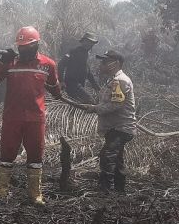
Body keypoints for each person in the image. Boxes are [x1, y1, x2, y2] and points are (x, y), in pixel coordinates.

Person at [0, 26, 61, 205]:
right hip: (12, 117)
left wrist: (58, 91)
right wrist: (2, 62)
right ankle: (1, 191)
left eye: (27, 46)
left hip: (36, 118)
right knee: (7, 154)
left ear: (36, 45)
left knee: (36, 156)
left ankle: (35, 194)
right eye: (20, 47)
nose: (23, 50)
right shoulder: (10, 63)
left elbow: (55, 88)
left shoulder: (47, 64)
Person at [78, 50, 136, 194]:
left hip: (120, 128)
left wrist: (94, 109)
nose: (101, 65)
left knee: (107, 156)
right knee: (116, 159)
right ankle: (119, 190)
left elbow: (116, 105)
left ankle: (106, 191)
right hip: (115, 127)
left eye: (105, 62)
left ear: (115, 64)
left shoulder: (120, 81)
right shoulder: (113, 80)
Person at [58, 32, 100, 104]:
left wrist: (96, 87)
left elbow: (88, 72)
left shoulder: (86, 55)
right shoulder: (74, 51)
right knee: (90, 100)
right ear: (83, 41)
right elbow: (61, 64)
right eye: (87, 41)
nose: (89, 44)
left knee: (78, 104)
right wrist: (61, 81)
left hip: (80, 85)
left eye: (91, 42)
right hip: (72, 84)